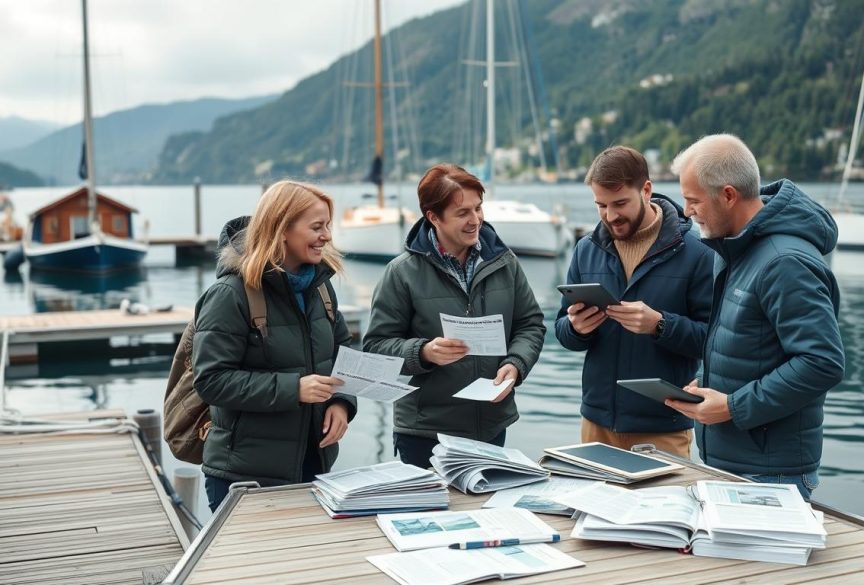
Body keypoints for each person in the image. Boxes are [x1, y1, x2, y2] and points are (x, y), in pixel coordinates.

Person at [664, 134, 845, 500]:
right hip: (732, 463)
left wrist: (732, 406)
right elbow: (752, 347)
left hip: (771, 474)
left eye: (693, 200)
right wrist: (709, 385)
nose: (685, 211)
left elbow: (822, 362)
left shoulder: (785, 262)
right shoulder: (735, 249)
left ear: (728, 196)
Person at [362, 164, 545, 468]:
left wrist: (515, 364)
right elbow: (375, 347)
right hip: (424, 435)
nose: (476, 220)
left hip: (491, 428)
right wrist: (424, 352)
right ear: (433, 217)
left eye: (478, 208)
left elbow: (530, 324)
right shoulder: (401, 273)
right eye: (463, 213)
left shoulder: (505, 262)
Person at [193, 181, 357, 511]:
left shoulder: (321, 290)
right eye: (316, 227)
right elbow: (210, 381)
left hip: (315, 469)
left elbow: (342, 353)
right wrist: (293, 388)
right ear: (282, 229)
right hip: (243, 476)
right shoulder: (230, 295)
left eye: (327, 225)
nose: (326, 235)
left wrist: (342, 403)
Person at [554, 146, 713, 456]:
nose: (611, 216)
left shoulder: (698, 254)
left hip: (664, 427)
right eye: (601, 205)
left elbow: (713, 340)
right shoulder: (586, 249)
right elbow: (562, 330)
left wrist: (661, 325)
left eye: (620, 203)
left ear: (647, 190)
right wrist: (575, 328)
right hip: (595, 422)